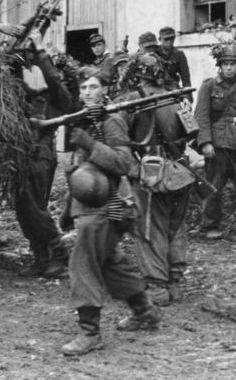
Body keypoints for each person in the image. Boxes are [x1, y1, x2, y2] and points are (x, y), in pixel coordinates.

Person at [60, 66, 160, 356]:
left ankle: (89, 334)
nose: (88, 92)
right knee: (109, 262)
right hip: (93, 206)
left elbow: (123, 164)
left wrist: (90, 144)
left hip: (110, 206)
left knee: (83, 264)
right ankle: (144, 312)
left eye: (93, 87)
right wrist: (69, 210)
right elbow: (82, 171)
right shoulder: (87, 121)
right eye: (83, 88)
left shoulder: (112, 121)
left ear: (105, 90)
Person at [121, 53, 192, 305]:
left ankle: (157, 288)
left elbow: (118, 136)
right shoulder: (178, 98)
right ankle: (176, 283)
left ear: (136, 72)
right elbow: (192, 133)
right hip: (180, 171)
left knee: (149, 228)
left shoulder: (131, 100)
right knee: (176, 228)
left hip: (150, 173)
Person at [14, 29, 74, 278]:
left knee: (35, 208)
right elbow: (19, 87)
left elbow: (52, 78)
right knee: (23, 208)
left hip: (41, 155)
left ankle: (59, 255)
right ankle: (41, 258)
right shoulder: (39, 96)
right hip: (23, 153)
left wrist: (40, 50)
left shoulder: (62, 98)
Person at [193, 43, 236, 242]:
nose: (229, 67)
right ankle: (210, 226)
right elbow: (201, 116)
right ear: (219, 65)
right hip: (218, 144)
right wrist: (205, 142)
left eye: (233, 64)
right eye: (225, 63)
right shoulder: (208, 86)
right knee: (214, 186)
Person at [156, 26, 191, 92]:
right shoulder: (154, 53)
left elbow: (186, 78)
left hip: (173, 89)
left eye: (172, 39)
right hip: (157, 89)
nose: (169, 42)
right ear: (160, 39)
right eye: (166, 39)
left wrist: (187, 97)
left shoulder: (179, 54)